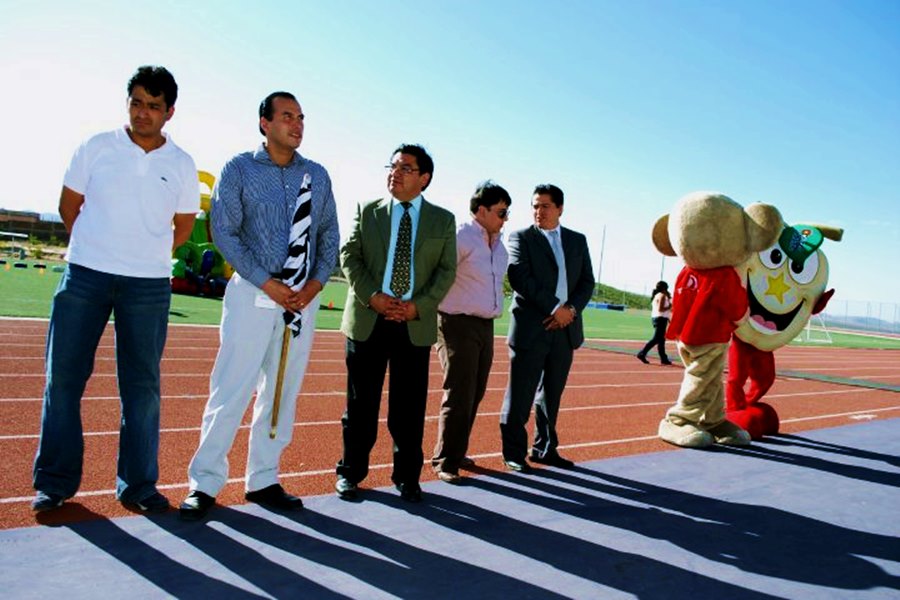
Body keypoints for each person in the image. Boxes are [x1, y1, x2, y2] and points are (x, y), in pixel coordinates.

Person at [32, 66, 198, 513]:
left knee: (142, 387)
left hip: (147, 286)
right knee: (63, 380)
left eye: (153, 106)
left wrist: (141, 255)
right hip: (85, 276)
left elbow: (182, 228)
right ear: (128, 103)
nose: (143, 113)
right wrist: (97, 249)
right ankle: (54, 483)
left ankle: (138, 485)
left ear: (170, 112)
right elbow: (70, 206)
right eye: (136, 103)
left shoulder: (181, 164)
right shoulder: (96, 147)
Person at [179, 92, 339, 520]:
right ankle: (205, 482)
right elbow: (224, 231)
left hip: (301, 301)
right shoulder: (239, 169)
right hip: (253, 294)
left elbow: (329, 238)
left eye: (302, 117)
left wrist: (315, 285)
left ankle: (263, 478)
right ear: (264, 123)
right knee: (231, 388)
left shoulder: (318, 176)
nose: (298, 124)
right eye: (287, 116)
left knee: (282, 392)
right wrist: (268, 282)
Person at [335, 143, 456, 503]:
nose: (395, 173)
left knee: (408, 409)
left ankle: (407, 477)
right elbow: (349, 255)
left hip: (413, 324)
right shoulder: (367, 211)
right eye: (393, 166)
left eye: (405, 168)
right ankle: (350, 473)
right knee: (360, 405)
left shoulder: (442, 220)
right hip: (368, 319)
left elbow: (446, 270)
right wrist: (372, 295)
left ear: (424, 178)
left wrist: (417, 307)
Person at [500, 184, 595, 472]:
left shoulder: (577, 240)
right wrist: (556, 308)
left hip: (565, 331)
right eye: (534, 206)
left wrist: (571, 311)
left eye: (544, 206)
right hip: (533, 327)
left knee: (552, 394)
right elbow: (521, 278)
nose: (538, 211)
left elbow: (587, 282)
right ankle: (513, 452)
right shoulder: (521, 238)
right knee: (520, 394)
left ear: (560, 208)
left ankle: (545, 448)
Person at [431, 181, 511, 484]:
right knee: (460, 392)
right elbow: (439, 272)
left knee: (475, 392)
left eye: (507, 212)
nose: (505, 218)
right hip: (455, 322)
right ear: (482, 210)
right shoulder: (462, 236)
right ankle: (445, 461)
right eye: (501, 211)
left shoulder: (498, 245)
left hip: (484, 325)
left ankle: (455, 450)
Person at [636, 281, 673, 365]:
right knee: (657, 339)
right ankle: (642, 353)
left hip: (659, 318)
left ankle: (664, 359)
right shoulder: (662, 296)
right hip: (660, 319)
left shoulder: (657, 295)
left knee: (661, 340)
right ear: (665, 288)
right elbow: (661, 309)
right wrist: (670, 306)